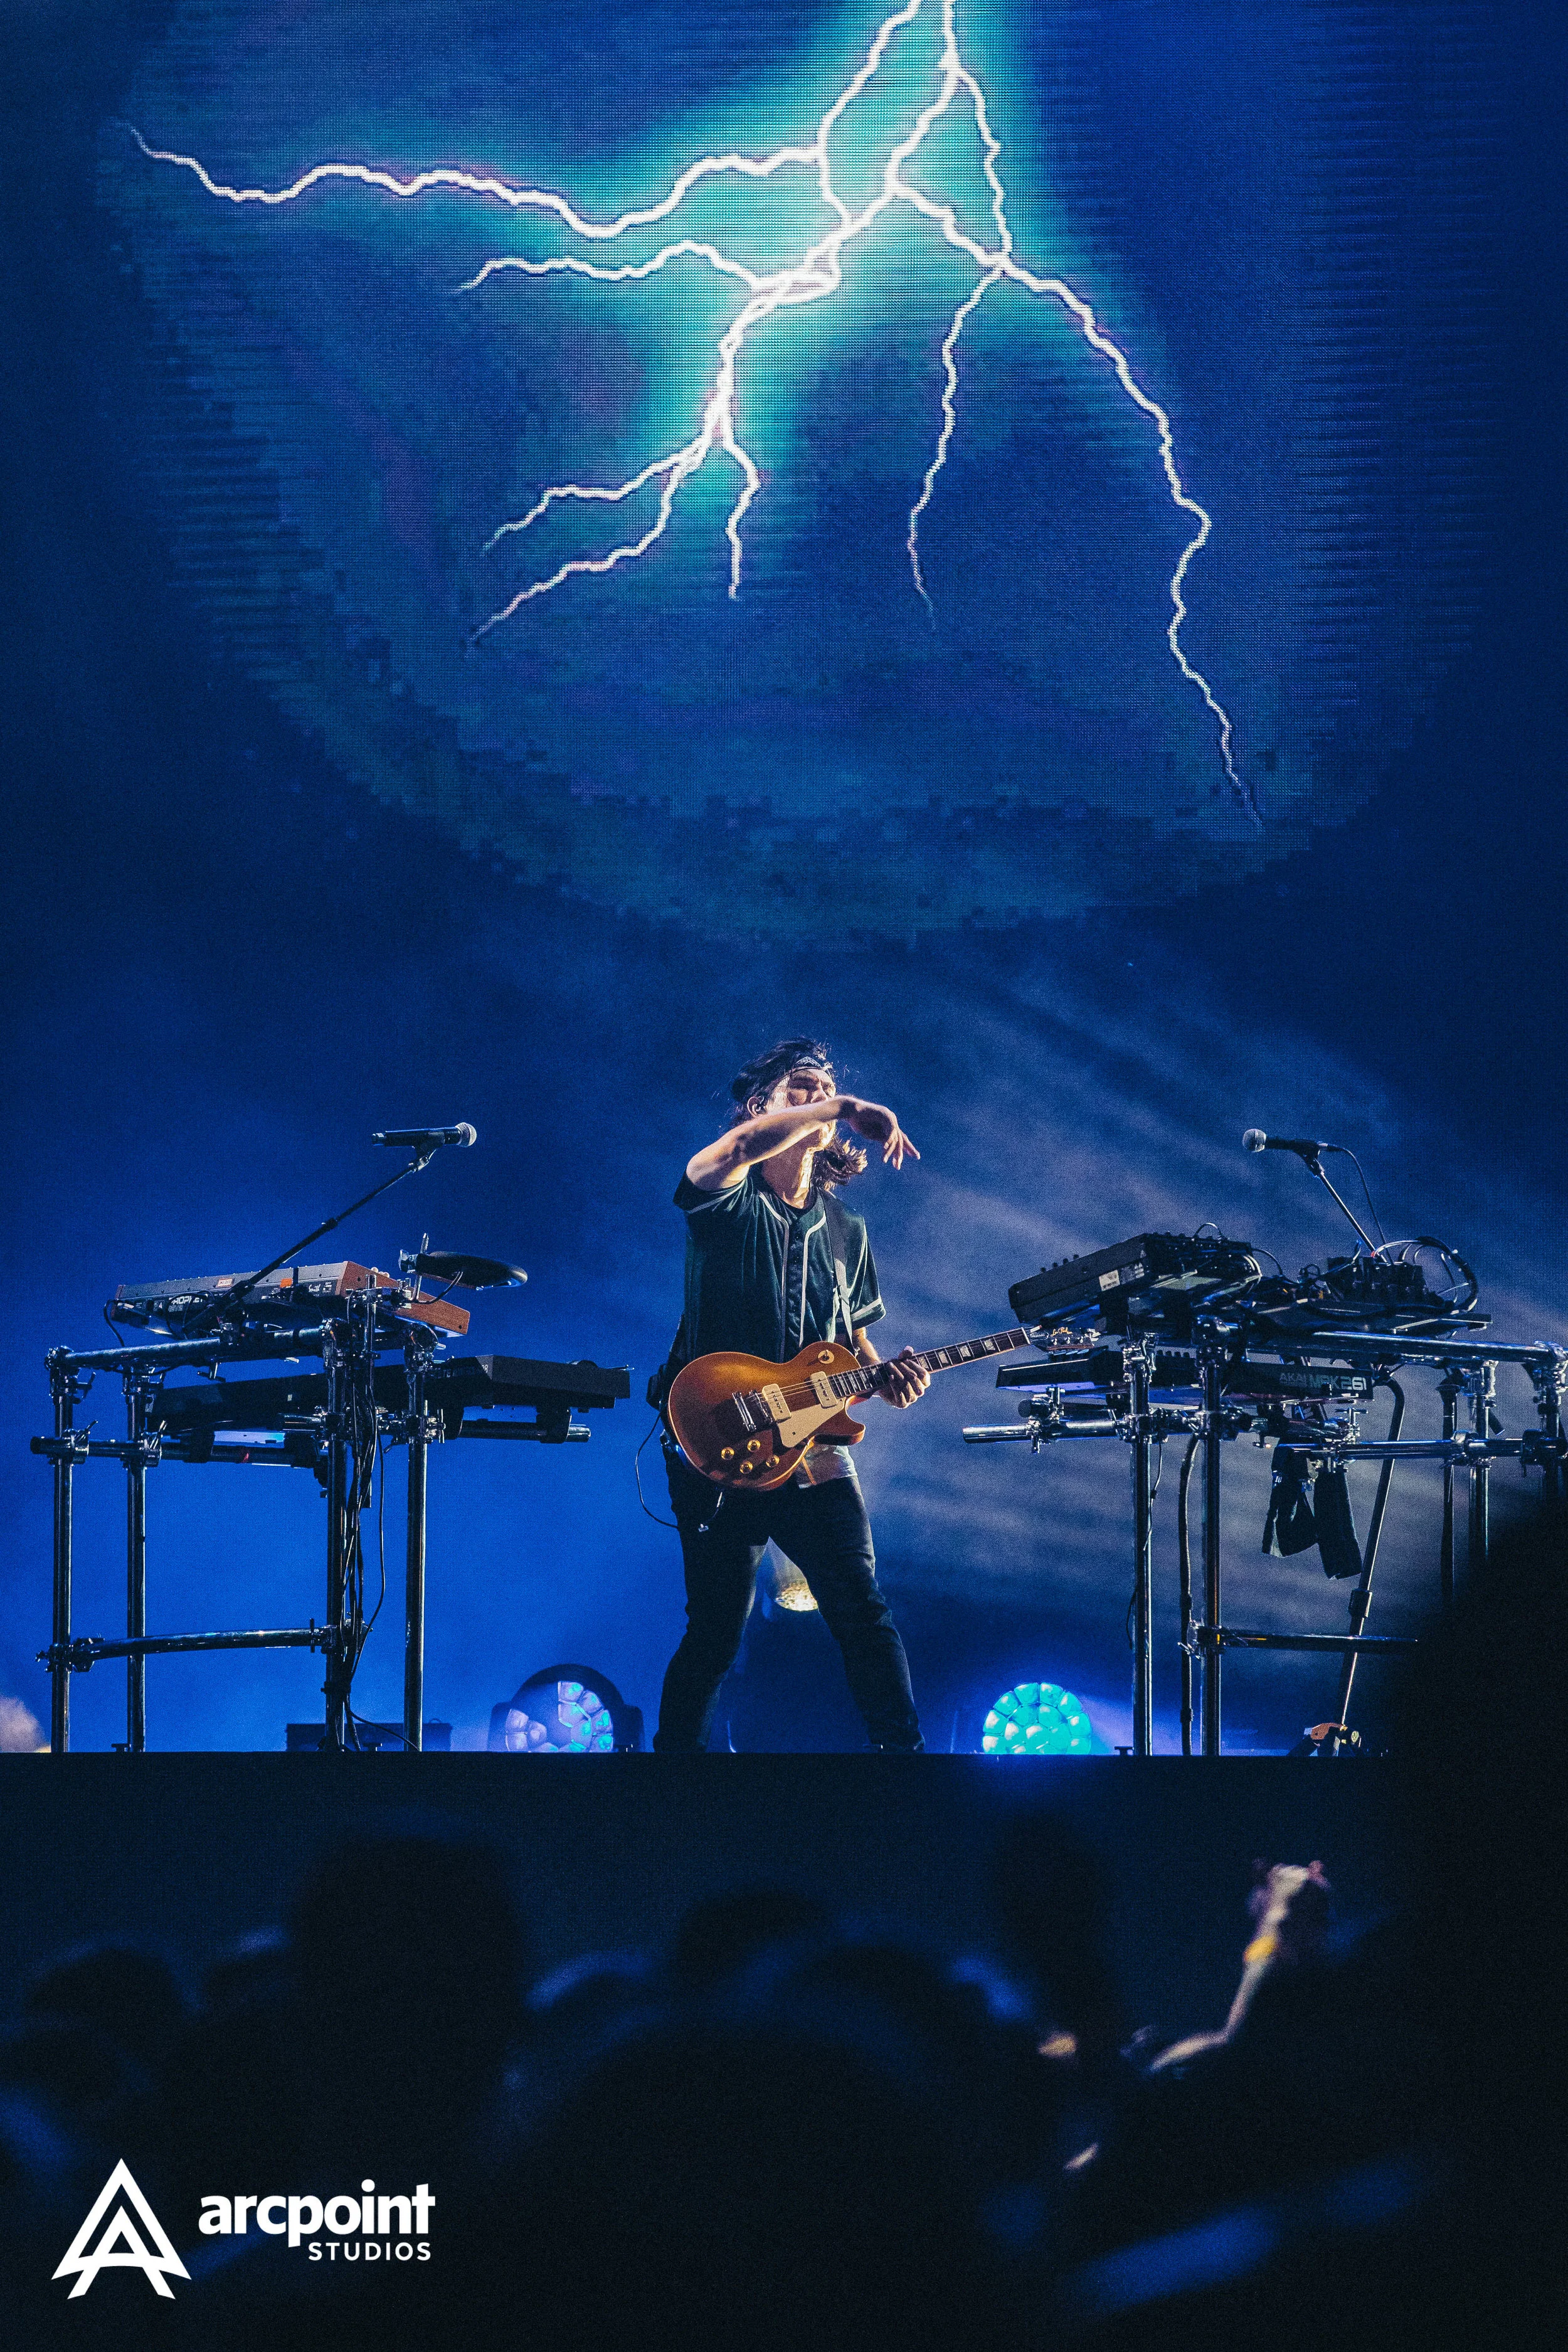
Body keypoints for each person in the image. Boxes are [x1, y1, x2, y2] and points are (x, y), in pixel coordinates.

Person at [654, 1039, 930, 1752]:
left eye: (828, 1089)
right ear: (759, 1107)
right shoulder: (725, 1191)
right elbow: (729, 1152)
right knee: (715, 1629)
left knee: (863, 1612)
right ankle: (668, 1782)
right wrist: (841, 1104)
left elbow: (852, 1344)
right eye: (801, 1088)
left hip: (815, 1452)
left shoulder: (847, 1229)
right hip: (720, 1439)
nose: (820, 1097)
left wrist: (892, 1377)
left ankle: (906, 1771)